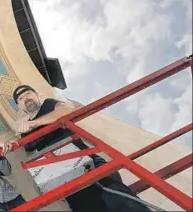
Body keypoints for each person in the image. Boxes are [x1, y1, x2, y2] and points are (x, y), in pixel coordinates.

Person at [12, 85, 151, 212]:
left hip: (85, 158)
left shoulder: (48, 104)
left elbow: (66, 109)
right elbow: (27, 149)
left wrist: (36, 123)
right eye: (21, 98)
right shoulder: (25, 130)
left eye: (28, 93)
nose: (26, 98)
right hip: (63, 176)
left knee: (120, 199)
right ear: (19, 107)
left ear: (37, 95)